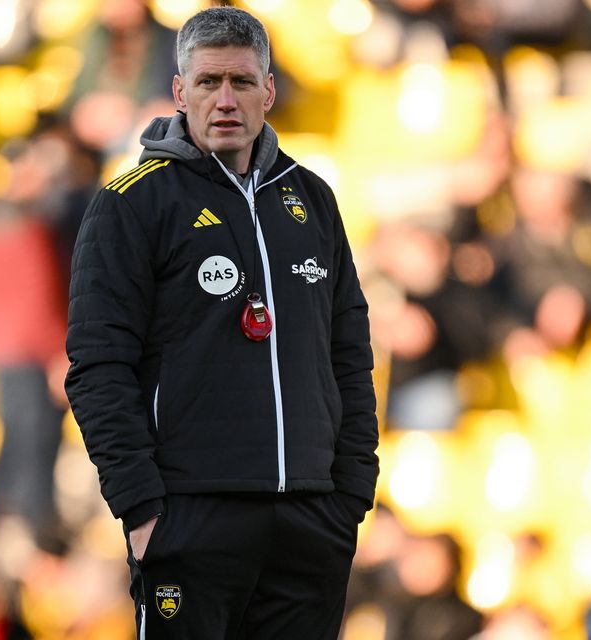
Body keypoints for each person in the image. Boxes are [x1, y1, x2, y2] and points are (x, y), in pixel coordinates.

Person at [64, 6, 379, 639]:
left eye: (242, 81)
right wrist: (143, 510)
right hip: (189, 519)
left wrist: (349, 496)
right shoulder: (131, 202)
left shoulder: (313, 199)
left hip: (310, 522)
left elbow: (349, 354)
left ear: (270, 90)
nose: (226, 100)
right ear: (180, 92)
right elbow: (97, 367)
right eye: (209, 82)